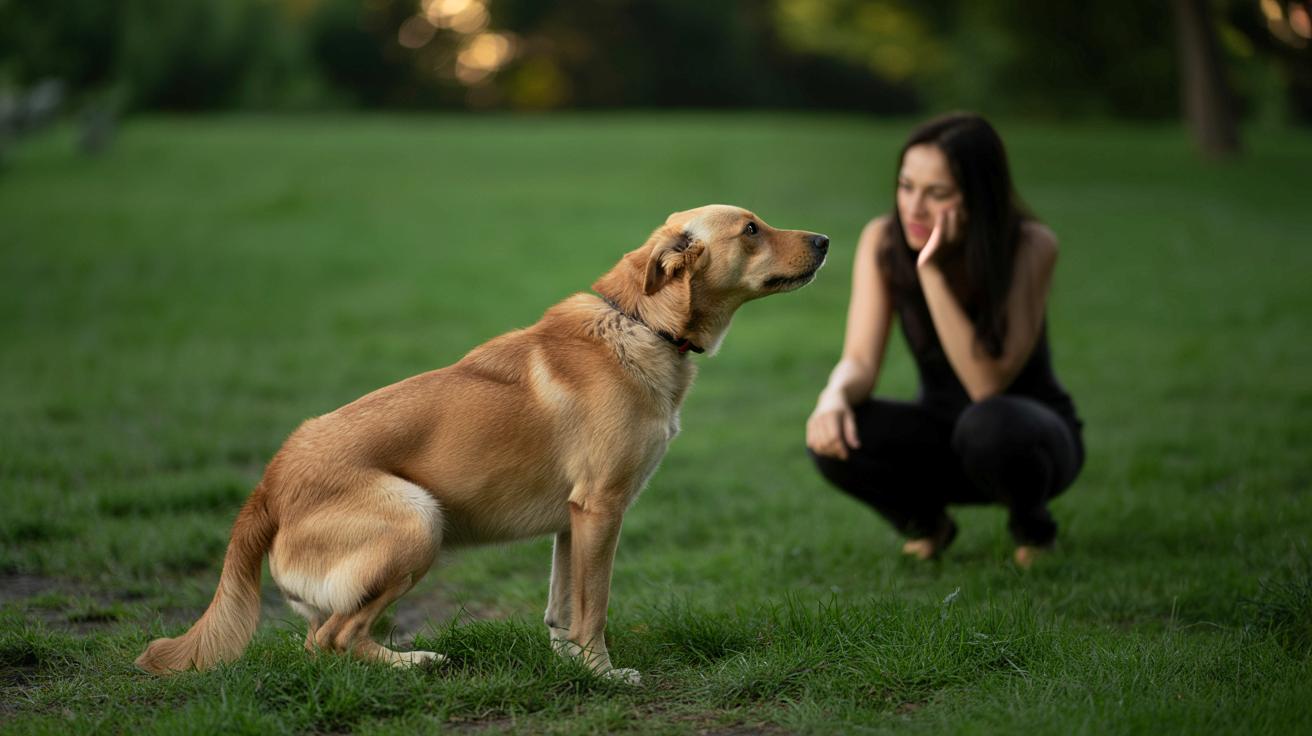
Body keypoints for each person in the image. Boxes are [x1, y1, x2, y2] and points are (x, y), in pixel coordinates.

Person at [805, 113, 1083, 567]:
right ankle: (927, 524)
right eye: (906, 186)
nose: (914, 208)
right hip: (946, 438)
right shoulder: (883, 240)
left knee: (987, 420)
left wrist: (930, 271)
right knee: (834, 434)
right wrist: (832, 396)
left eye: (938, 194)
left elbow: (985, 386)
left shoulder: (1031, 246)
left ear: (978, 197)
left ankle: (1033, 529)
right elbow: (859, 359)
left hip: (1031, 441)